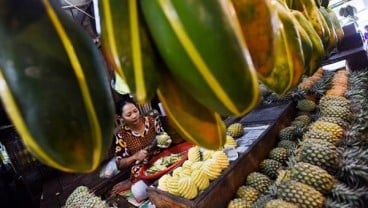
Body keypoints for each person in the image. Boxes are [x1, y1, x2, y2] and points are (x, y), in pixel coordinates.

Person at [110, 99, 165, 196]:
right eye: (129, 114)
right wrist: (135, 156)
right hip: (142, 169)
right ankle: (134, 182)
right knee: (138, 193)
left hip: (162, 160)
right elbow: (120, 164)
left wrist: (163, 140)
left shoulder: (151, 121)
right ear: (121, 118)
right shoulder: (122, 135)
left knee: (164, 184)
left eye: (135, 111)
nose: (134, 116)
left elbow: (163, 138)